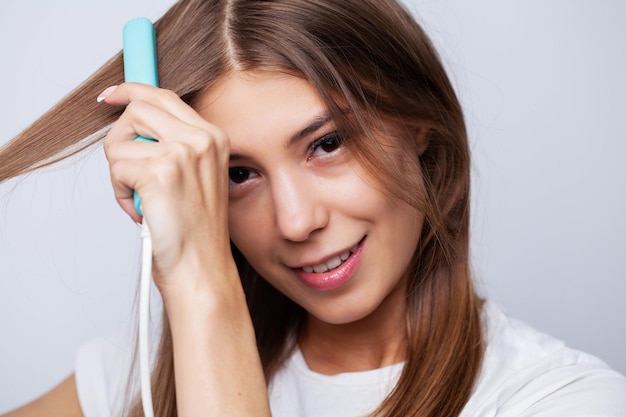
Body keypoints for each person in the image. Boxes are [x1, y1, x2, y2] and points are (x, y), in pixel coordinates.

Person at [0, 0, 625, 416]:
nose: (297, 222)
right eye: (237, 174)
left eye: (327, 144)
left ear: (423, 132)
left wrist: (201, 283)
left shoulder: (557, 399)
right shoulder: (139, 379)